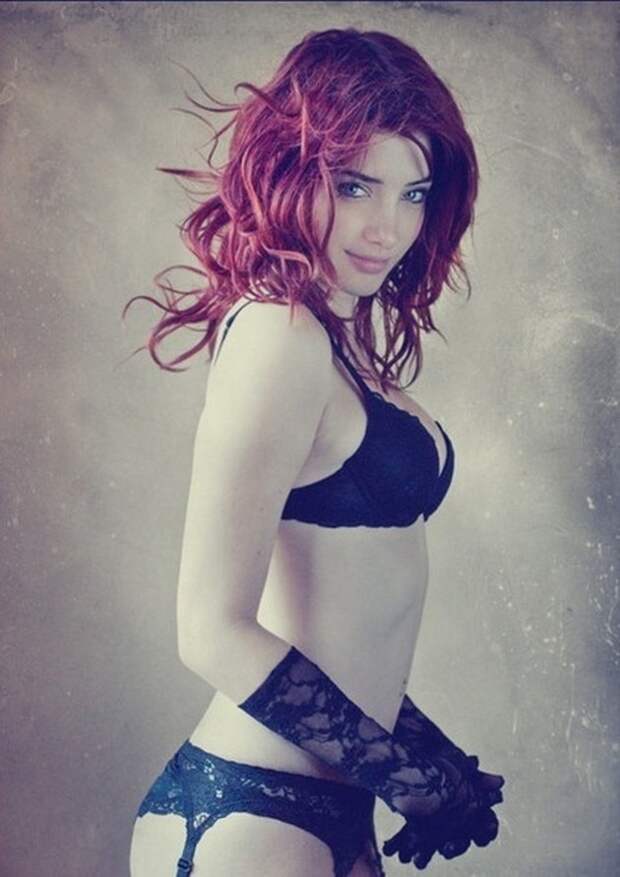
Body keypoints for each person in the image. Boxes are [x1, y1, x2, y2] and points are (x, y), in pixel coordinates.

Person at [126, 27, 505, 877]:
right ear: (293, 171)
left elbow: (338, 626)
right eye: (355, 184)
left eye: (414, 193)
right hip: (249, 811)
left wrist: (427, 755)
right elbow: (209, 628)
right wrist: (407, 776)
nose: (386, 228)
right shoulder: (279, 334)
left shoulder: (337, 336)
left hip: (320, 806)